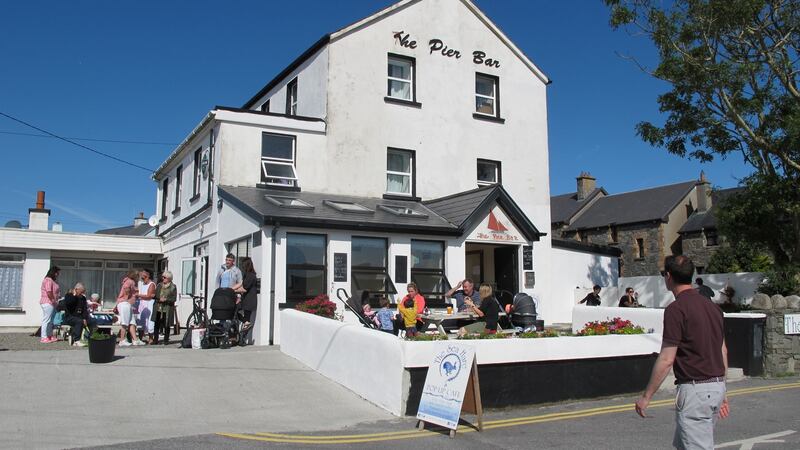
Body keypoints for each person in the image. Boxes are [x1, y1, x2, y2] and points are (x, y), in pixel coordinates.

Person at [635, 256, 729, 449]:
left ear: (668, 277)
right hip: (716, 386)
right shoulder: (713, 308)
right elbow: (723, 350)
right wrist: (723, 391)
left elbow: (667, 359)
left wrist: (647, 396)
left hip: (695, 391)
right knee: (683, 445)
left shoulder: (676, 310)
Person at [62, 283, 96, 347]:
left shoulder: (83, 298)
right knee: (79, 321)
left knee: (92, 321)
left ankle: (93, 338)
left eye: (83, 292)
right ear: (76, 289)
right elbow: (69, 303)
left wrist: (84, 318)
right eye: (81, 292)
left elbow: (84, 310)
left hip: (80, 317)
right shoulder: (69, 295)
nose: (82, 293)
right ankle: (76, 340)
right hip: (70, 317)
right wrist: (74, 295)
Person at [116, 270, 144, 346]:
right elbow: (126, 289)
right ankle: (122, 340)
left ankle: (135, 340)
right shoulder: (130, 281)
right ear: (135, 276)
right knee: (125, 322)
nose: (139, 278)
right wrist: (127, 298)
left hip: (126, 304)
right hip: (125, 303)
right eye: (138, 276)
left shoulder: (128, 281)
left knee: (132, 322)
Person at [152, 271, 177, 345]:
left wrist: (166, 300)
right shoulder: (159, 285)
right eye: (162, 277)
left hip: (168, 308)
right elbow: (155, 296)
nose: (163, 278)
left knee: (166, 324)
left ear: (169, 278)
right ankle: (155, 340)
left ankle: (166, 340)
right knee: (157, 324)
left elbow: (173, 299)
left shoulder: (173, 287)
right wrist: (159, 298)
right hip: (158, 307)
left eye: (164, 277)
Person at [39, 266, 61, 343]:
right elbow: (49, 292)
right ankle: (43, 337)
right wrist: (53, 300)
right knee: (46, 320)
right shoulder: (48, 280)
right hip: (48, 302)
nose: (58, 274)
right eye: (57, 272)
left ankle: (49, 335)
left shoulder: (52, 281)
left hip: (52, 303)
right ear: (54, 272)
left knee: (51, 320)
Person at [238, 258, 258, 339]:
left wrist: (233, 291)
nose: (242, 267)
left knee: (243, 315)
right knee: (246, 318)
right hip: (247, 299)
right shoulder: (248, 275)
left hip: (249, 300)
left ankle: (243, 336)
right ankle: (243, 336)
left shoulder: (250, 275)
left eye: (243, 265)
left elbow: (244, 288)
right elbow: (242, 284)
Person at [137, 268, 157, 344]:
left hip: (149, 304)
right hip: (142, 303)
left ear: (148, 275)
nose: (142, 274)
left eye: (144, 273)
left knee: (149, 321)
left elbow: (149, 296)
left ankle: (151, 338)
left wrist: (139, 295)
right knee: (141, 321)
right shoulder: (143, 283)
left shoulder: (151, 284)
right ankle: (140, 338)